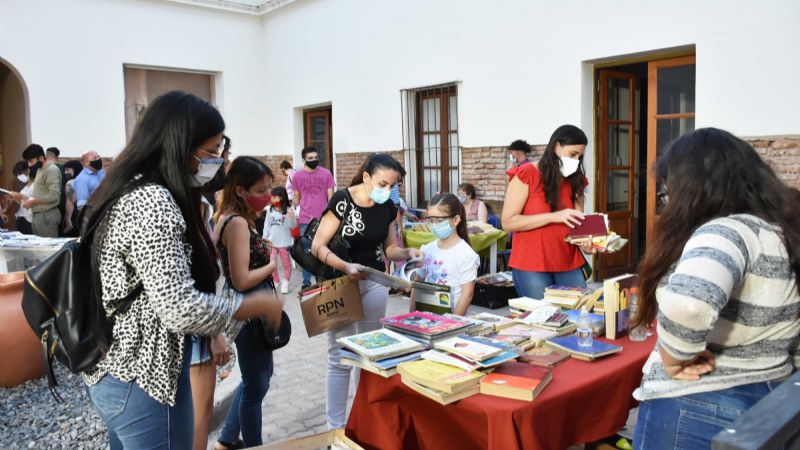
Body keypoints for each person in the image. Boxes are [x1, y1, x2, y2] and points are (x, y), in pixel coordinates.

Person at [82, 91, 283, 449]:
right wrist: (257, 305)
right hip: (144, 375)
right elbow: (179, 307)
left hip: (118, 370)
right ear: (180, 145)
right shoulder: (152, 202)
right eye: (211, 152)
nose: (219, 162)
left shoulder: (129, 188)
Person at [630, 128, 800, 450]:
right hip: (769, 398)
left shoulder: (725, 230)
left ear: (694, 188)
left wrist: (673, 359)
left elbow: (689, 304)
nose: (668, 204)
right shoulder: (781, 231)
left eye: (668, 193)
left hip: (698, 405)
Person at [311, 153, 420, 429]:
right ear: (368, 177)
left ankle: (363, 421)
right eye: (383, 183)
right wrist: (346, 266)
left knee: (369, 353)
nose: (388, 190)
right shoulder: (342, 200)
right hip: (340, 285)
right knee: (340, 356)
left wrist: (406, 252)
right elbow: (317, 246)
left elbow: (390, 248)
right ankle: (335, 428)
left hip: (374, 281)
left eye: (393, 185)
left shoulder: (387, 207)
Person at [213, 156, 278, 449]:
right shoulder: (237, 222)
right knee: (256, 386)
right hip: (249, 309)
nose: (267, 196)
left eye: (269, 189)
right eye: (260, 191)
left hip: (248, 309)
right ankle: (253, 444)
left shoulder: (228, 216)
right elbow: (240, 278)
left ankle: (227, 438)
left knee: (256, 378)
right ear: (240, 190)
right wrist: (271, 265)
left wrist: (258, 249)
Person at [501, 125, 595, 300]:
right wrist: (554, 216)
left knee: (578, 317)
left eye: (580, 157)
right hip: (531, 264)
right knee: (542, 323)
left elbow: (577, 227)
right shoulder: (526, 174)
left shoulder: (576, 180)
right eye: (572, 154)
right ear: (556, 147)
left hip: (568, 262)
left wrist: (587, 245)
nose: (576, 160)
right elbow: (508, 223)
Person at [411, 193, 480, 316]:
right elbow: (417, 285)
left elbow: (467, 294)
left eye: (440, 220)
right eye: (431, 220)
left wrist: (452, 323)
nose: (435, 225)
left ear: (455, 220)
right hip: (424, 320)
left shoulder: (465, 254)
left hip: (451, 322)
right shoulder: (426, 249)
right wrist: (411, 315)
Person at [292, 146, 336, 289]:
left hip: (324, 220)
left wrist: (332, 217)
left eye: (315, 157)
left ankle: (323, 280)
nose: (314, 160)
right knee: (307, 253)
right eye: (310, 158)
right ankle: (306, 283)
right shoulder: (297, 176)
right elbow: (296, 199)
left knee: (325, 250)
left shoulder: (326, 174)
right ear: (303, 159)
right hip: (305, 220)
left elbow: (331, 197)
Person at [21, 144, 62, 237]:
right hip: (38, 216)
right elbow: (40, 193)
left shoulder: (51, 169)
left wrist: (33, 201)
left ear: (41, 158)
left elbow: (54, 195)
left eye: (31, 161)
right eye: (28, 162)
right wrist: (25, 199)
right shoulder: (40, 169)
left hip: (46, 216)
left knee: (48, 250)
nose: (29, 165)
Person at [265, 186, 296, 294]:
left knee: (286, 265)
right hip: (272, 243)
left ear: (281, 198)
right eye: (271, 197)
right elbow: (266, 225)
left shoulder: (288, 210)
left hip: (284, 244)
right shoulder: (270, 210)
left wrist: (291, 217)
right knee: (272, 264)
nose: (271, 199)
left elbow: (293, 226)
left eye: (274, 197)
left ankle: (285, 283)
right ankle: (276, 280)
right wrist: (265, 238)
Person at [7, 161, 34, 234]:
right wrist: (15, 198)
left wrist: (21, 196)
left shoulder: (35, 185)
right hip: (22, 217)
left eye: (20, 173)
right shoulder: (25, 187)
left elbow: (34, 202)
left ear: (28, 170)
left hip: (31, 219)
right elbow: (23, 204)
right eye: (17, 175)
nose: (19, 176)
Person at [62, 159, 83, 236]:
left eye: (68, 170)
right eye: (65, 170)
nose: (65, 172)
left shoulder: (70, 183)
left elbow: (70, 201)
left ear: (76, 169)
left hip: (75, 214)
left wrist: (68, 218)